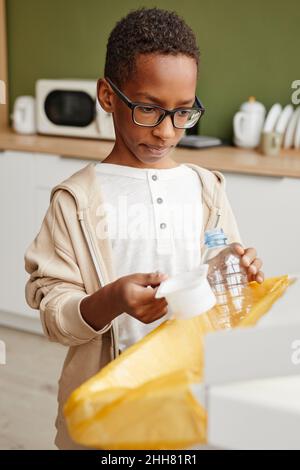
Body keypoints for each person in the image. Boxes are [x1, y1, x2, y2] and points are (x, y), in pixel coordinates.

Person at [24, 7, 263, 449]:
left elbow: (218, 266)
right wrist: (111, 300)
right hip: (107, 413)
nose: (166, 132)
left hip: (187, 399)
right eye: (149, 109)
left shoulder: (204, 187)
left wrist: (234, 266)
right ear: (108, 95)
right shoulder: (74, 201)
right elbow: (56, 315)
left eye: (183, 112)